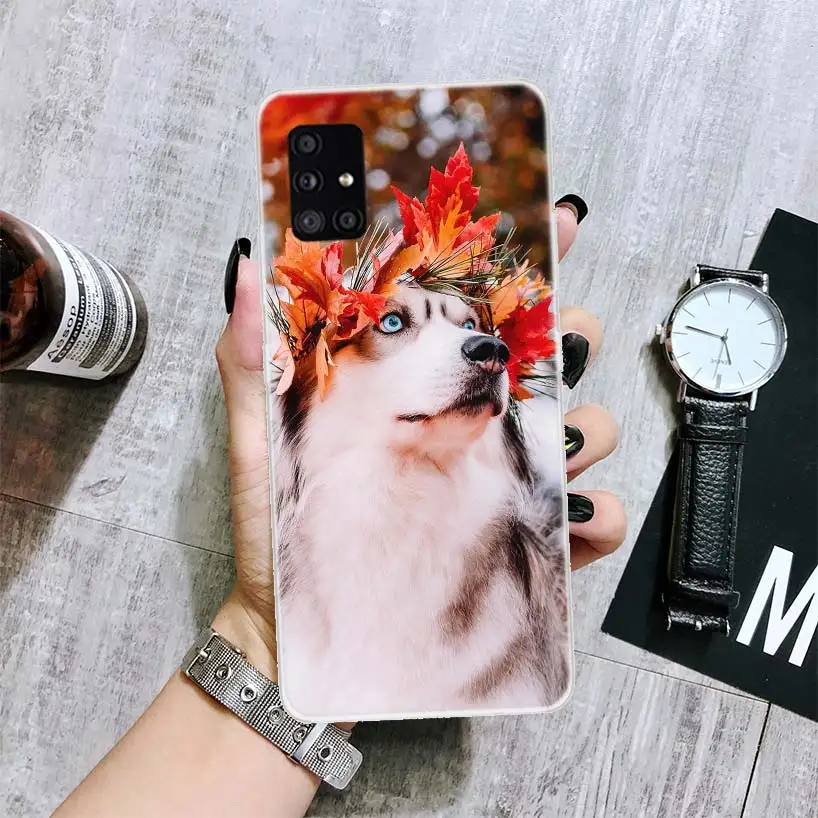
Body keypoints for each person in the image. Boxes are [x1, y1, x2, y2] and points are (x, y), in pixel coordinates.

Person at [53, 201, 626, 818]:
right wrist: (272, 643)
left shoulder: (514, 617)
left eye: (471, 327)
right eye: (393, 323)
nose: (480, 346)